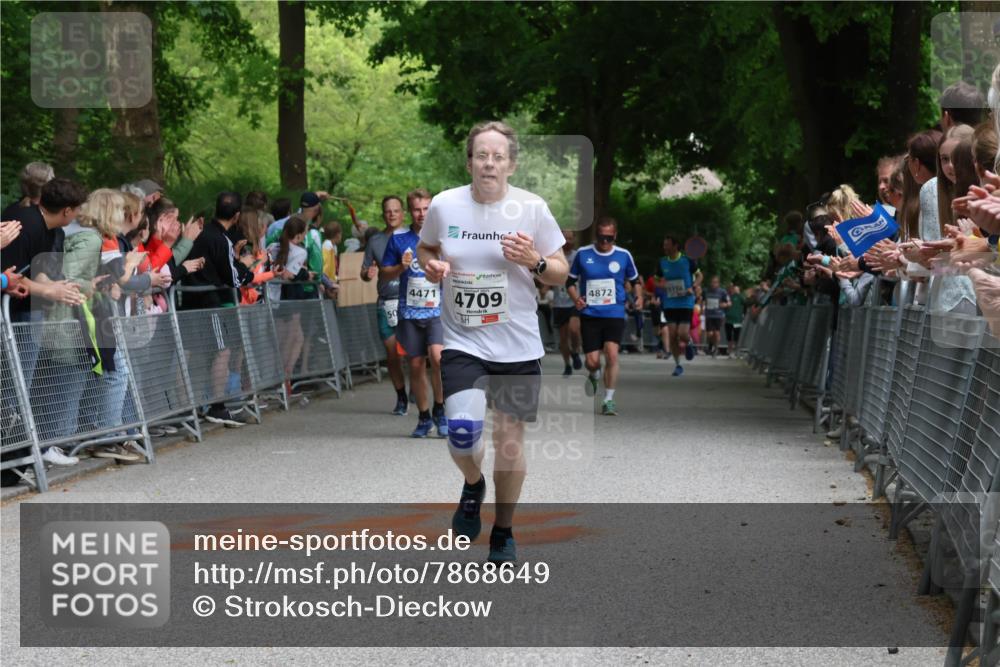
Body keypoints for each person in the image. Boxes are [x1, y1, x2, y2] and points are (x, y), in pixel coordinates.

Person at [417, 120, 568, 564]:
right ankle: (472, 483)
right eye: (481, 155)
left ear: (511, 163)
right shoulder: (445, 205)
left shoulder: (532, 207)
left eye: (497, 156)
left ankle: (503, 530)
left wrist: (535, 260)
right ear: (469, 161)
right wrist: (433, 267)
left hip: (518, 345)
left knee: (509, 442)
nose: (489, 163)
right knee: (462, 435)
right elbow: (427, 249)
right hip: (464, 339)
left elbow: (560, 269)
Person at [181, 191, 255, 427]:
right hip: (208, 301)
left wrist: (232, 258)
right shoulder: (220, 239)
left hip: (187, 300)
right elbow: (233, 278)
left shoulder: (201, 234)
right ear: (236, 215)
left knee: (191, 354)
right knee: (222, 351)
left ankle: (185, 408)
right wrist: (245, 267)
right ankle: (217, 406)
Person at [380, 188, 447, 438]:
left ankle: (441, 410)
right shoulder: (398, 240)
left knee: (438, 358)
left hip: (437, 312)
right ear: (410, 211)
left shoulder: (442, 239)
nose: (422, 214)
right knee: (416, 365)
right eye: (417, 209)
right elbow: (385, 273)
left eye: (426, 209)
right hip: (409, 313)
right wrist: (400, 267)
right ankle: (424, 416)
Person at [566, 217, 641, 416]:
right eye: (601, 237)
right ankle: (594, 373)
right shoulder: (583, 254)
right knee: (591, 361)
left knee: (612, 354)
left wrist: (639, 297)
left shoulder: (624, 255)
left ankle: (608, 399)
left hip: (614, 312)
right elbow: (569, 282)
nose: (605, 242)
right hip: (590, 313)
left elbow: (635, 280)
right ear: (595, 236)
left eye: (609, 238)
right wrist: (576, 300)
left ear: (615, 235)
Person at [362, 196, 408, 415]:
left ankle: (417, 387)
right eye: (388, 211)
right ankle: (401, 396)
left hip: (411, 301)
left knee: (415, 354)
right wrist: (367, 273)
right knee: (392, 353)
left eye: (396, 211)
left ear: (403, 213)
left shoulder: (414, 237)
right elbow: (364, 271)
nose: (392, 214)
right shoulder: (375, 241)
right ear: (383, 214)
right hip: (386, 302)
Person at [655, 235, 699, 376]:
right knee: (672, 335)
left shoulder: (687, 260)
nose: (664, 247)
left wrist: (692, 286)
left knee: (682, 333)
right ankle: (678, 365)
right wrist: (663, 285)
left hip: (686, 302)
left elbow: (700, 276)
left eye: (667, 245)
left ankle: (689, 342)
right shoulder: (662, 262)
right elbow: (655, 280)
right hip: (670, 303)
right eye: (664, 245)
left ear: (675, 246)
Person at [551, 230, 583, 375]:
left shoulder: (578, 256)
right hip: (559, 302)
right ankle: (567, 364)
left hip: (575, 300)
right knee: (563, 337)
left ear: (574, 239)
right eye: (565, 238)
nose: (568, 241)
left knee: (574, 330)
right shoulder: (554, 255)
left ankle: (575, 351)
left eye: (570, 238)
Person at [701, 275, 729, 356]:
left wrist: (725, 305)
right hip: (709, 315)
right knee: (709, 334)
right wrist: (702, 308)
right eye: (712, 282)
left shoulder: (722, 292)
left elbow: (729, 303)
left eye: (715, 282)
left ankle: (716, 349)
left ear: (718, 283)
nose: (713, 284)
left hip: (718, 315)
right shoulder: (706, 291)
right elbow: (702, 300)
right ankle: (711, 345)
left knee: (716, 332)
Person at [723, 282, 745, 356]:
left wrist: (739, 294)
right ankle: (729, 350)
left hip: (737, 320)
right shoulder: (728, 297)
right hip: (728, 319)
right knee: (729, 335)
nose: (734, 290)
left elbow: (745, 302)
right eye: (733, 289)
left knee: (736, 335)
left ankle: (736, 350)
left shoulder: (740, 297)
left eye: (736, 289)